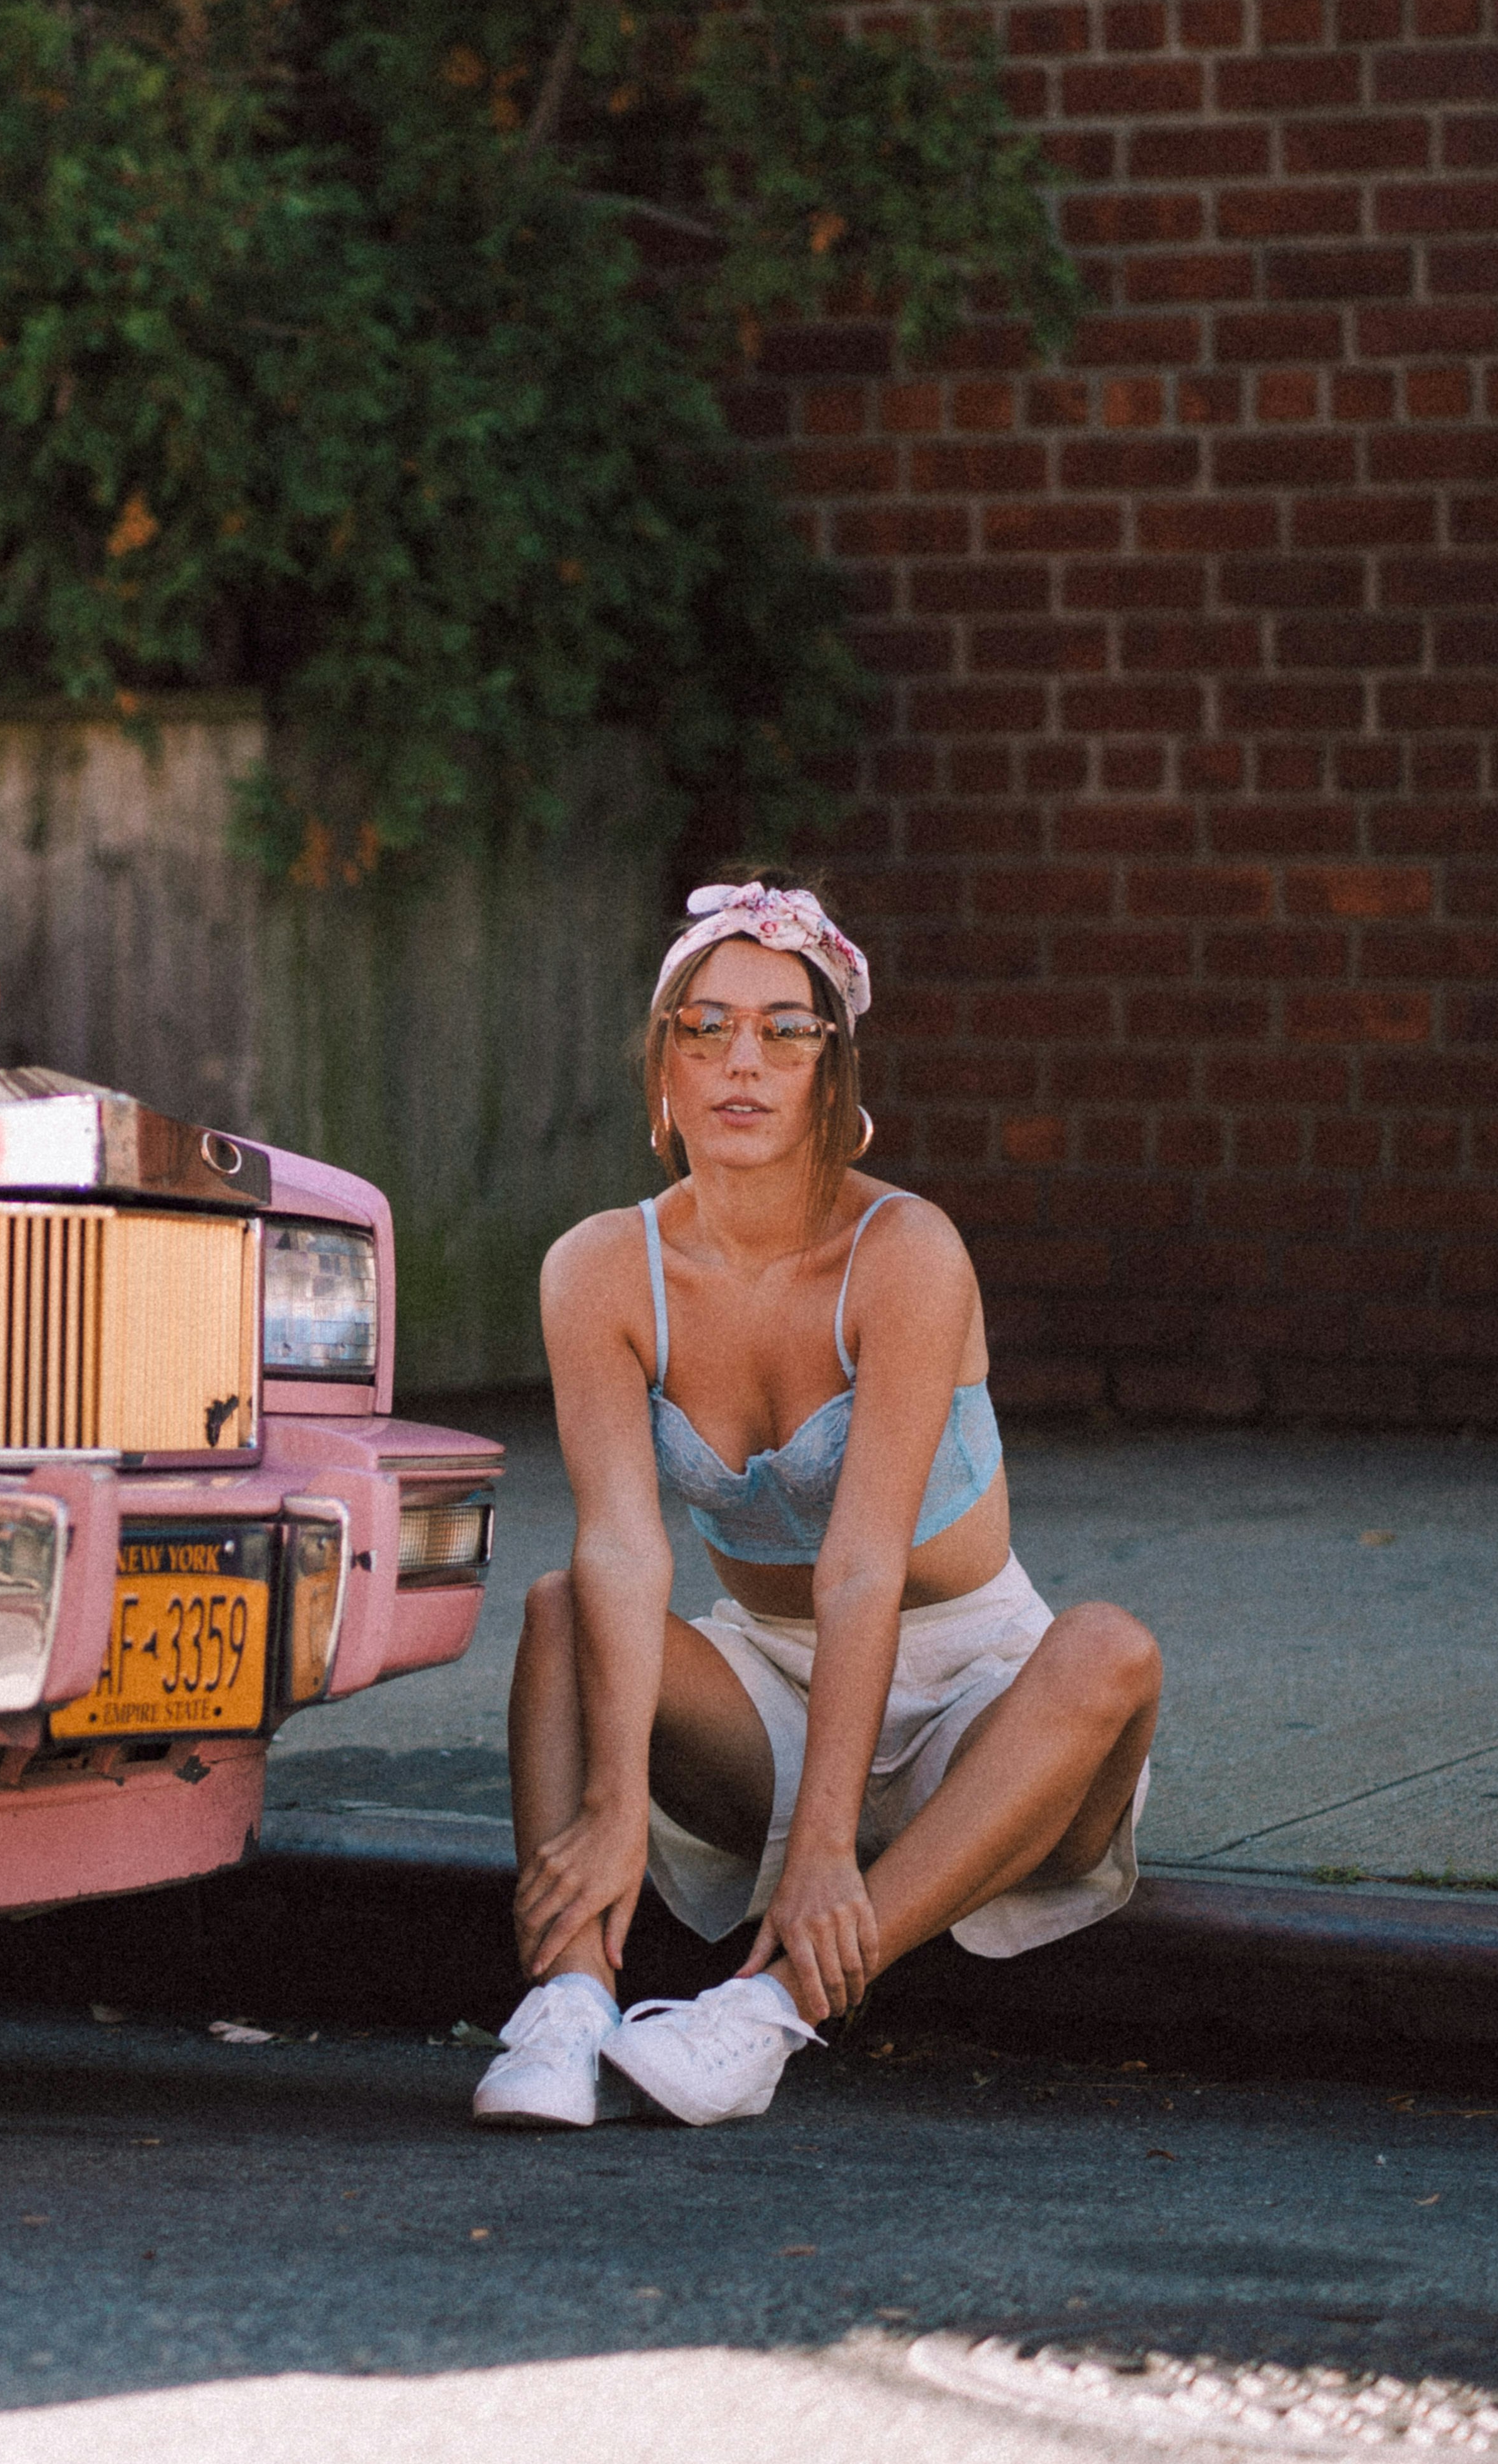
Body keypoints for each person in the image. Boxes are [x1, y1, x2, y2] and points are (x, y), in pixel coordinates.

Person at [472, 873, 1161, 2129]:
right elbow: (625, 1548)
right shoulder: (598, 1269)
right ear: (664, 1072)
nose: (745, 1059)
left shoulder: (908, 1251)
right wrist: (619, 1802)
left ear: (829, 1075)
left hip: (979, 1697)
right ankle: (570, 2005)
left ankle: (766, 2012)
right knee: (563, 1605)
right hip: (767, 1692)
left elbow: (861, 1564)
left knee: (1111, 1650)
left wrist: (830, 1845)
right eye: (708, 1026)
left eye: (786, 1029)